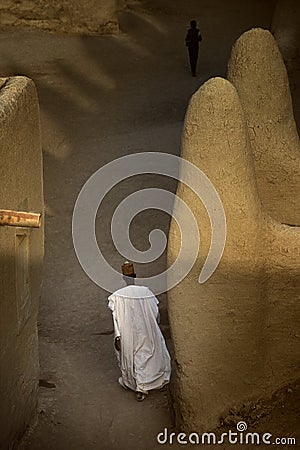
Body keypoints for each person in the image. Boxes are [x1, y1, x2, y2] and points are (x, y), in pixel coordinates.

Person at [108, 262, 171, 401]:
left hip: (129, 333)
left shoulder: (117, 296)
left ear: (123, 278)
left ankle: (140, 387)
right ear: (135, 276)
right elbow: (155, 311)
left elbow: (116, 319)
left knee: (135, 357)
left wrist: (118, 336)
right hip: (146, 330)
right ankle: (144, 385)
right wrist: (151, 325)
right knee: (146, 356)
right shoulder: (146, 292)